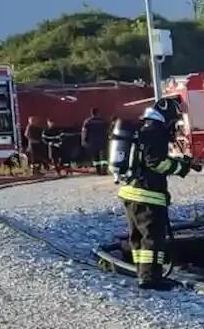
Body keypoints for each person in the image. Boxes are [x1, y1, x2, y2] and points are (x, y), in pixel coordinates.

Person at [118, 97, 195, 289]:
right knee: (153, 238)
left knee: (138, 238)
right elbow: (157, 163)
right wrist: (181, 167)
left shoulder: (143, 127)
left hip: (130, 192)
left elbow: (146, 158)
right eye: (173, 120)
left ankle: (142, 273)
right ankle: (151, 279)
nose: (173, 125)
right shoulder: (156, 130)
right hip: (147, 195)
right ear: (167, 114)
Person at [81, 107, 109, 175]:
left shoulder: (88, 121)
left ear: (91, 113)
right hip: (102, 141)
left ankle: (98, 171)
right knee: (104, 157)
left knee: (96, 157)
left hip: (92, 141)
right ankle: (104, 170)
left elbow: (84, 131)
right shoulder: (103, 121)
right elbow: (107, 130)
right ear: (98, 113)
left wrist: (83, 140)